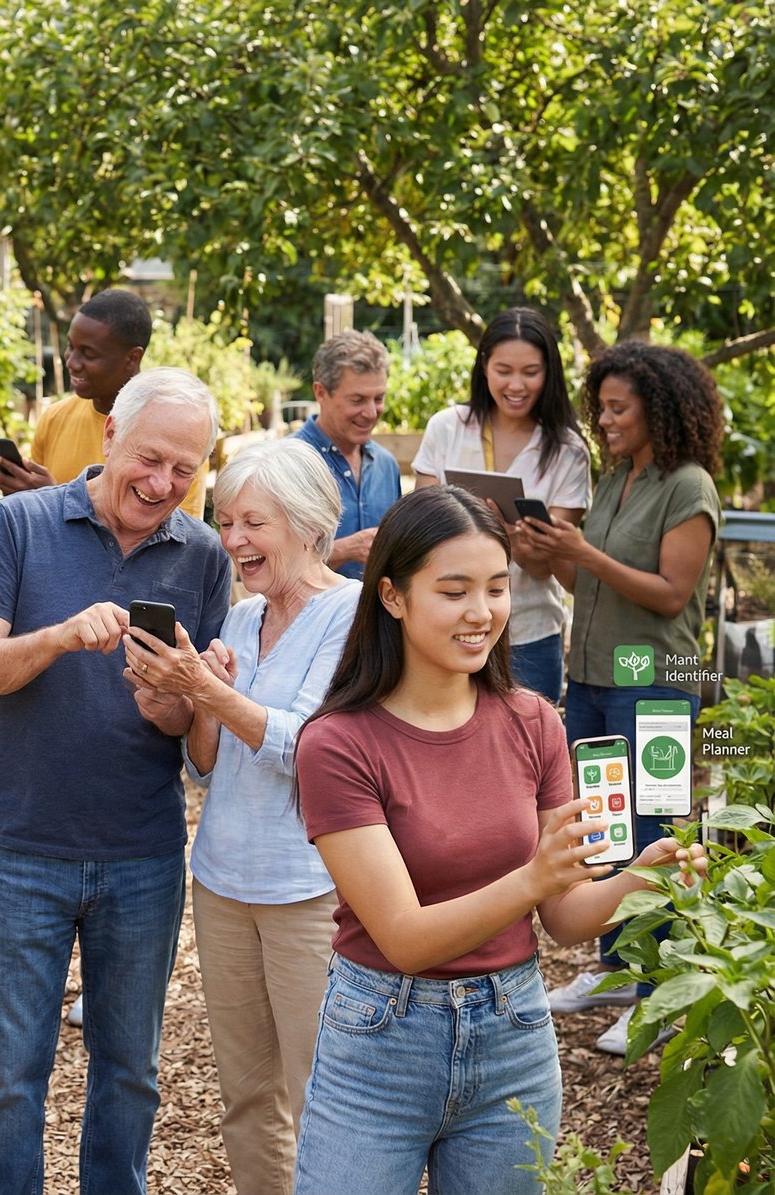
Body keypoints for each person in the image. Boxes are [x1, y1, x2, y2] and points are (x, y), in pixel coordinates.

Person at [290, 486, 705, 1193]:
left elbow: (566, 917)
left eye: (496, 587)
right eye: (454, 591)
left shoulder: (533, 721)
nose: (481, 613)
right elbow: (406, 938)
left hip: (513, 1031)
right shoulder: (337, 744)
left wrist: (645, 873)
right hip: (381, 1038)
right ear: (392, 596)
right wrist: (532, 879)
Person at [0, 367, 233, 1194]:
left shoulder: (204, 554)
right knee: (9, 1075)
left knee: (131, 1072)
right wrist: (61, 636)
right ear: (110, 434)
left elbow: (196, 734)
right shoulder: (20, 523)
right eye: (150, 458)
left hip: (140, 852)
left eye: (185, 471)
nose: (162, 483)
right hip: (20, 846)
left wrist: (171, 702)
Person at [124, 438, 356, 1195]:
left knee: (324, 1094)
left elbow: (308, 748)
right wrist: (185, 700)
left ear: (306, 521)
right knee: (249, 1097)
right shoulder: (244, 615)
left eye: (252, 522)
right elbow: (208, 763)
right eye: (225, 522)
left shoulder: (350, 617)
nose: (233, 542)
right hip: (222, 881)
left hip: (306, 890)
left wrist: (212, 691)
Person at [524, 341, 723, 1054]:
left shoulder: (688, 485)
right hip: (597, 674)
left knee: (651, 832)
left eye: (618, 408)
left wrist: (585, 554)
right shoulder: (617, 480)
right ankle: (615, 969)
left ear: (658, 409)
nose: (604, 421)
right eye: (600, 408)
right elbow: (592, 585)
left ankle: (657, 996)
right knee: (604, 828)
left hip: (655, 678)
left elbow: (673, 594)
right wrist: (551, 552)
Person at [413, 307, 590, 703]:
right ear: (484, 367)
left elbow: (550, 564)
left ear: (550, 373)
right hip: (447, 628)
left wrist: (506, 535)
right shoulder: (447, 428)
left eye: (531, 372)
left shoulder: (567, 451)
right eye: (503, 370)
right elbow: (419, 528)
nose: (516, 384)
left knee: (523, 757)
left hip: (529, 634)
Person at [0, 288, 208, 520]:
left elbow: (175, 543)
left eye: (89, 354)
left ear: (132, 358)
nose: (72, 363)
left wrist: (55, 500)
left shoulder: (176, 435)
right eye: (71, 347)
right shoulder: (55, 418)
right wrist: (28, 501)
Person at [292, 329, 400, 579]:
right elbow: (269, 562)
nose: (372, 412)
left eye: (379, 398)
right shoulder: (289, 462)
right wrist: (344, 550)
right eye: (357, 400)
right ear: (320, 393)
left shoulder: (386, 465)